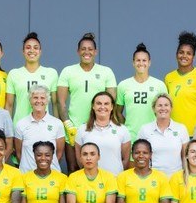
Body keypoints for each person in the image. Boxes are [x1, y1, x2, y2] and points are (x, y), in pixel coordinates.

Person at [57, 32, 117, 173]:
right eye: (83, 49)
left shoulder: (106, 72)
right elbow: (61, 102)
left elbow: (111, 102)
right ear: (78, 51)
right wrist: (67, 124)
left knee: (98, 170)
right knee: (73, 169)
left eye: (90, 49)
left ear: (95, 52)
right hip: (74, 128)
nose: (87, 52)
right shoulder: (68, 71)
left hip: (98, 129)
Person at [164, 31, 196, 136]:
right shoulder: (169, 77)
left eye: (188, 53)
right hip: (172, 134)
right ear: (176, 54)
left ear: (193, 57)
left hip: (194, 135)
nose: (184, 56)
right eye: (181, 52)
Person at [5, 32, 59, 126]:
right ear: (23, 51)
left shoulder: (51, 73)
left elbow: (55, 104)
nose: (32, 50)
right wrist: (8, 131)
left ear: (40, 51)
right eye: (28, 47)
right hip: (19, 129)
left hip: (44, 127)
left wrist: (57, 128)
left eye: (35, 47)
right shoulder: (14, 74)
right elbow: (9, 105)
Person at [115, 43, 168, 140]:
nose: (141, 63)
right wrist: (127, 128)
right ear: (133, 62)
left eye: (144, 60)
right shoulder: (123, 85)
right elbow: (118, 112)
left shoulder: (159, 85)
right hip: (131, 137)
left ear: (149, 63)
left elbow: (166, 112)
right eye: (138, 60)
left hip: (154, 136)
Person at [75, 91, 131, 176]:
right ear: (93, 106)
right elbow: (80, 159)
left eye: (106, 104)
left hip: (114, 180)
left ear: (112, 107)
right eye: (98, 103)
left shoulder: (122, 130)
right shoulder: (82, 129)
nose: (102, 107)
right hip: (90, 181)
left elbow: (126, 160)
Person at [14, 84, 65, 173]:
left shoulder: (57, 124)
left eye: (42, 98)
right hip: (27, 175)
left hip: (52, 175)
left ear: (47, 101)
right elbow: (19, 153)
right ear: (30, 100)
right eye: (35, 97)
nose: (39, 101)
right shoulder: (21, 124)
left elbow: (59, 153)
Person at [137, 93, 188, 177]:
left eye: (166, 105)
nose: (163, 108)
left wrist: (185, 177)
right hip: (153, 179)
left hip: (176, 179)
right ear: (154, 108)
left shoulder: (181, 129)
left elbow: (185, 157)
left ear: (171, 108)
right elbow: (140, 157)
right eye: (159, 105)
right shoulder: (145, 129)